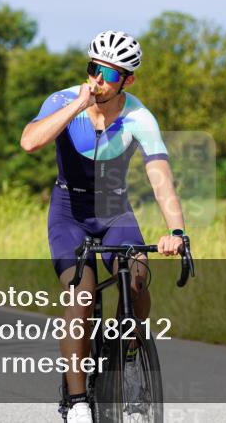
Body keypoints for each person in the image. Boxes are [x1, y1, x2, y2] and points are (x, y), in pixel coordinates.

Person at [20, 30, 187, 423]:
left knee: (137, 277)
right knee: (81, 293)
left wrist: (176, 232)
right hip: (69, 210)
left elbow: (161, 178)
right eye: (94, 68)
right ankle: (77, 402)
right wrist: (78, 104)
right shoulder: (63, 101)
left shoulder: (139, 117)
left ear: (126, 81)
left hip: (113, 210)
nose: (98, 80)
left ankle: (130, 357)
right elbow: (29, 142)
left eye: (109, 75)